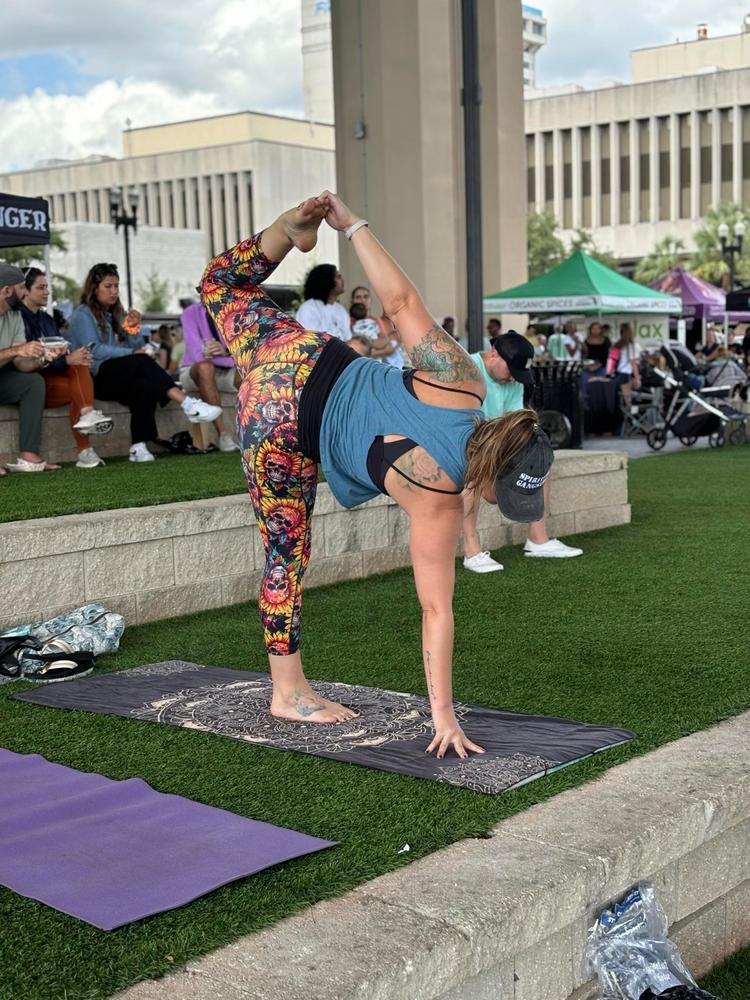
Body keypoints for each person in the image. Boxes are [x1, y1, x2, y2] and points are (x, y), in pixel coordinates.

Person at [200, 192, 549, 758]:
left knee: (220, 284)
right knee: (285, 555)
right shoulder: (439, 496)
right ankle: (287, 692)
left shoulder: (466, 382)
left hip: (301, 357)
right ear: (491, 479)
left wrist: (352, 225)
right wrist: (443, 719)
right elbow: (436, 611)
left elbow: (400, 298)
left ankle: (288, 231)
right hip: (281, 428)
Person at [68, 263, 222, 462]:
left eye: (116, 286)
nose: (114, 291)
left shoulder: (114, 314)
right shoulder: (83, 314)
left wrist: (133, 328)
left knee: (144, 383)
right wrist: (132, 351)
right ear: (94, 288)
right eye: (108, 286)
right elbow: (94, 350)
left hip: (116, 373)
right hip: (94, 376)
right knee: (141, 361)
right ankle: (188, 404)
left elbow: (137, 345)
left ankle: (138, 446)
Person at [462, 332, 583, 572]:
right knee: (471, 472)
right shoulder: (466, 369)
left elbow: (513, 422)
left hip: (494, 442)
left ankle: (538, 540)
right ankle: (471, 551)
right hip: (464, 441)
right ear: (494, 353)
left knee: (539, 460)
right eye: (511, 371)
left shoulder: (513, 380)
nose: (513, 379)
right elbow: (461, 422)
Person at [21, 267, 112, 469]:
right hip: (33, 384)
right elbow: (27, 364)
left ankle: (87, 417)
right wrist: (68, 360)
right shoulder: (17, 317)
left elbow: (59, 354)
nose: (46, 292)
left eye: (47, 287)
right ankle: (85, 447)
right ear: (25, 291)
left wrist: (73, 357)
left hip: (52, 378)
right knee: (78, 385)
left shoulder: (46, 319)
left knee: (79, 372)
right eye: (41, 287)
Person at [0, 263, 61, 474]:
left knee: (33, 382)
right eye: (21, 288)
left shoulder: (14, 314)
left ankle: (29, 455)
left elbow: (20, 363)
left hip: (3, 375)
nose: (25, 292)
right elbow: (15, 352)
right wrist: (16, 349)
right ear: (6, 290)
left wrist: (44, 359)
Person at [179, 300, 240, 452]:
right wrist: (230, 355)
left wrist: (225, 351)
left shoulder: (236, 313)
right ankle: (224, 435)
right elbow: (197, 356)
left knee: (249, 375)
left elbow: (247, 355)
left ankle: (257, 432)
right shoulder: (190, 313)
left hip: (226, 369)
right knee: (205, 368)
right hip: (193, 370)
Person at [296, 264, 350, 341]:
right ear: (327, 280)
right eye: (338, 277)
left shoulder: (341, 309)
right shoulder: (309, 308)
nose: (342, 280)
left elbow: (348, 338)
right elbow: (312, 342)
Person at [606, 322, 641, 405]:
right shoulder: (632, 346)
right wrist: (637, 378)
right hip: (625, 374)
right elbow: (633, 363)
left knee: (620, 398)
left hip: (617, 373)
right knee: (627, 399)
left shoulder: (617, 345)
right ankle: (629, 416)